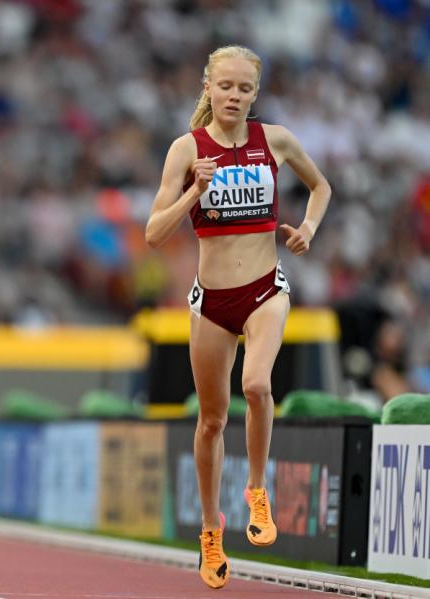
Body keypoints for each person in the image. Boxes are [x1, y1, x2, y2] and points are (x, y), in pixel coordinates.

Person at [145, 45, 331, 589]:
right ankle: (210, 531)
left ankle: (256, 491)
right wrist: (193, 193)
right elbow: (154, 233)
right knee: (211, 421)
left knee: (256, 384)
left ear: (255, 93)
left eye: (244, 88)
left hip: (264, 290)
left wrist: (309, 229)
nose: (234, 96)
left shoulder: (275, 141)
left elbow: (320, 187)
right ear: (208, 87)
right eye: (225, 86)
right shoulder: (187, 149)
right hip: (211, 302)